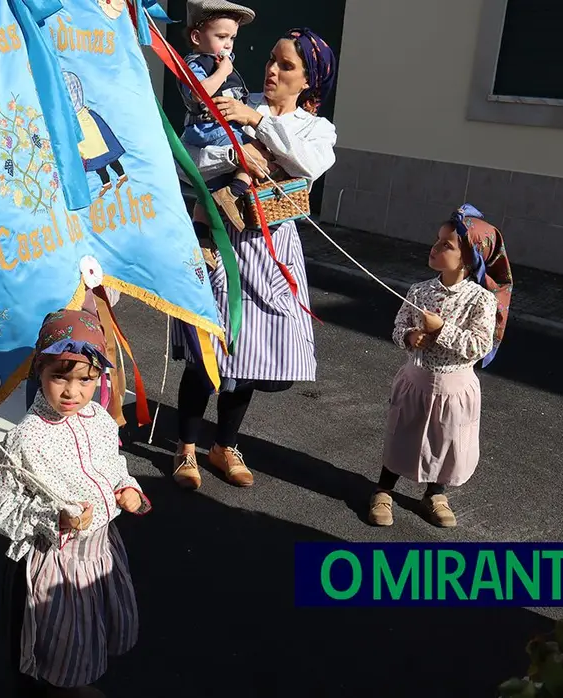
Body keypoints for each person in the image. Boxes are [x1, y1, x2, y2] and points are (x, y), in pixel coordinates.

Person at [170, 28, 337, 491]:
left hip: (270, 249)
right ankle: (186, 448)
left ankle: (225, 445)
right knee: (207, 351)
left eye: (286, 66)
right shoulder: (235, 100)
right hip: (219, 238)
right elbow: (191, 157)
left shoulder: (317, 129)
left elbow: (308, 164)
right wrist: (233, 147)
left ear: (308, 80)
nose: (272, 70)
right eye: (271, 59)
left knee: (249, 355)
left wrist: (256, 123)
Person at [0, 310, 151, 698]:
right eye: (59, 377)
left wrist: (127, 489)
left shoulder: (98, 417)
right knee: (64, 636)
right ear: (39, 372)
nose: (72, 392)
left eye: (85, 379)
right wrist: (56, 517)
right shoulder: (27, 438)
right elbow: (4, 508)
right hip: (59, 561)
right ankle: (67, 687)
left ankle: (74, 680)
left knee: (93, 623)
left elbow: (114, 466)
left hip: (101, 550)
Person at [369, 205, 510, 529]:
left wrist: (440, 329)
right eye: (436, 240)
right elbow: (398, 326)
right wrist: (410, 336)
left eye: (446, 245)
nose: (434, 248)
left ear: (470, 258)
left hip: (454, 389)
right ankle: (384, 489)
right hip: (416, 381)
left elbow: (478, 345)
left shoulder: (481, 300)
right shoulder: (420, 290)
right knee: (402, 435)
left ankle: (435, 493)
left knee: (446, 441)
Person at [177, 0, 257, 229]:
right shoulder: (194, 63)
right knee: (257, 152)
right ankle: (235, 192)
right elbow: (198, 94)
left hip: (219, 129)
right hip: (211, 128)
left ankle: (203, 237)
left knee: (211, 188)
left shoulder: (218, 61)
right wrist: (223, 71)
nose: (228, 45)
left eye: (232, 38)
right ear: (196, 37)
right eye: (221, 37)